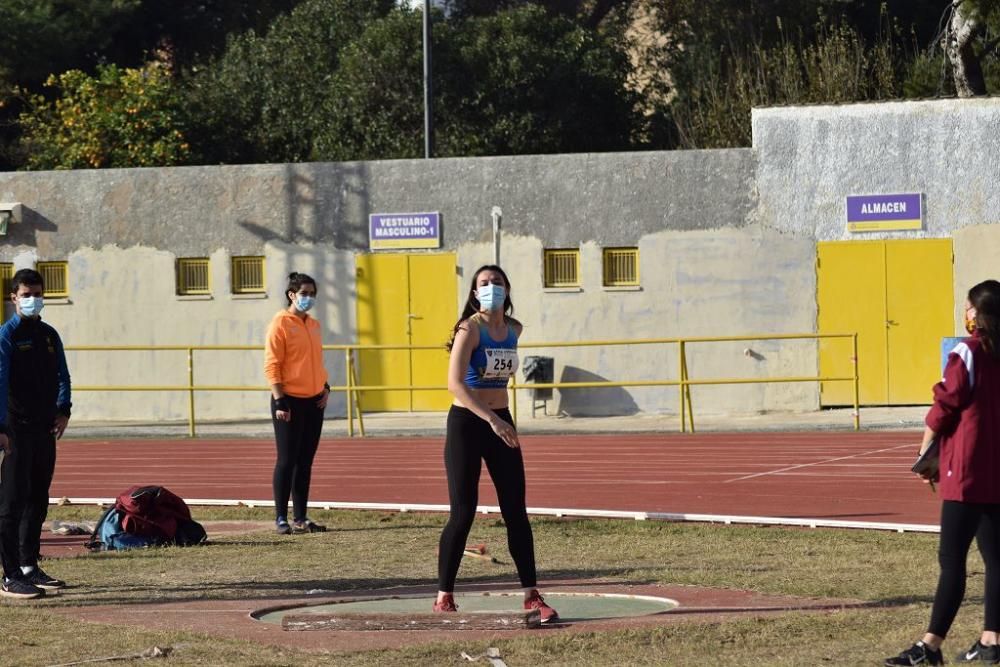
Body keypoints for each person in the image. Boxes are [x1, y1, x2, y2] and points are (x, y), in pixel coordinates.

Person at [432, 264, 558, 623]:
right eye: (484, 284)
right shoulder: (469, 328)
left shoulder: (514, 330)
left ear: (507, 288)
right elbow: (455, 383)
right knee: (463, 512)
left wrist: (500, 419)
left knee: (516, 510)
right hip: (468, 424)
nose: (491, 288)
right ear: (474, 293)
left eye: (497, 283)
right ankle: (444, 597)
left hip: (502, 422)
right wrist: (492, 419)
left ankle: (532, 595)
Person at [886, 279, 1000, 666]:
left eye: (969, 307)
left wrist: (924, 454)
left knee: (952, 561)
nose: (966, 313)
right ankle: (991, 639)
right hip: (996, 471)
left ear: (979, 313)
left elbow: (943, 407)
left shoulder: (966, 352)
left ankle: (930, 647)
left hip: (966, 472)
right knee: (996, 558)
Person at [0, 269, 72, 599]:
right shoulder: (7, 337)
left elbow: (62, 375)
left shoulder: (48, 335)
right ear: (13, 297)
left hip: (45, 429)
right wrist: (1, 427)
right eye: (26, 294)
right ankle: (10, 574)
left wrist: (64, 409)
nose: (33, 300)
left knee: (37, 499)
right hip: (16, 430)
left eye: (38, 294)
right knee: (11, 502)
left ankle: (30, 566)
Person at [264, 272, 330, 536]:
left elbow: (315, 362)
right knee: (287, 460)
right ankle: (281, 517)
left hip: (314, 401)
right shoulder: (280, 324)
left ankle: (300, 517)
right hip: (288, 401)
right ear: (292, 295)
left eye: (313, 293)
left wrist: (325, 387)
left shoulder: (313, 325)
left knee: (305, 462)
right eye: (304, 293)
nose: (309, 298)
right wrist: (280, 399)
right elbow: (272, 365)